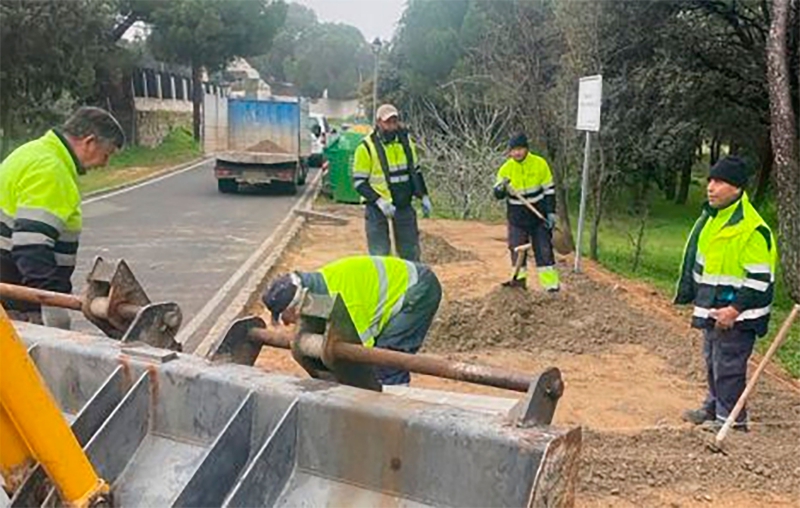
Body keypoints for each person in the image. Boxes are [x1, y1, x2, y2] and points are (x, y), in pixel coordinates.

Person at [675, 156, 777, 432]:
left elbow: (759, 280)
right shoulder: (712, 219)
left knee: (729, 366)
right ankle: (713, 407)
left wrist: (733, 311)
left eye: (719, 182)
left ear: (737, 188)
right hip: (713, 307)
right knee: (712, 360)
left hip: (738, 315)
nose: (711, 187)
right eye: (710, 180)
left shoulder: (752, 229)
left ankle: (730, 422)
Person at [1, 106, 125, 328]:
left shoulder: (32, 152)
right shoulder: (52, 170)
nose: (104, 164)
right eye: (106, 154)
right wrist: (52, 307)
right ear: (89, 142)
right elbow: (32, 247)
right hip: (17, 305)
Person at [262, 255, 442, 385]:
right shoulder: (318, 292)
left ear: (296, 305)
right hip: (404, 287)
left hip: (418, 290)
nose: (287, 324)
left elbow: (360, 352)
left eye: (285, 317)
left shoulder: (345, 302)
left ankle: (396, 407)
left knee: (387, 357)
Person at [352, 104, 432, 261]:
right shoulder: (366, 147)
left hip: (403, 204)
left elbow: (415, 172)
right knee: (380, 254)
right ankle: (384, 285)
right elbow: (359, 183)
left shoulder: (406, 143)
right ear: (379, 123)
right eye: (387, 122)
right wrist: (379, 201)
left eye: (394, 121)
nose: (391, 126)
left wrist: (423, 195)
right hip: (377, 207)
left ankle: (411, 284)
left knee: (410, 252)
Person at [492, 133, 560, 291]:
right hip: (517, 219)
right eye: (513, 150)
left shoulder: (540, 164)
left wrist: (550, 213)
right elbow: (497, 194)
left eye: (520, 149)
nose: (517, 153)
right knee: (516, 250)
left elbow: (549, 191)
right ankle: (519, 284)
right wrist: (501, 188)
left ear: (526, 149)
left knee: (544, 250)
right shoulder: (506, 169)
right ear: (509, 152)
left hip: (538, 217)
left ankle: (551, 287)